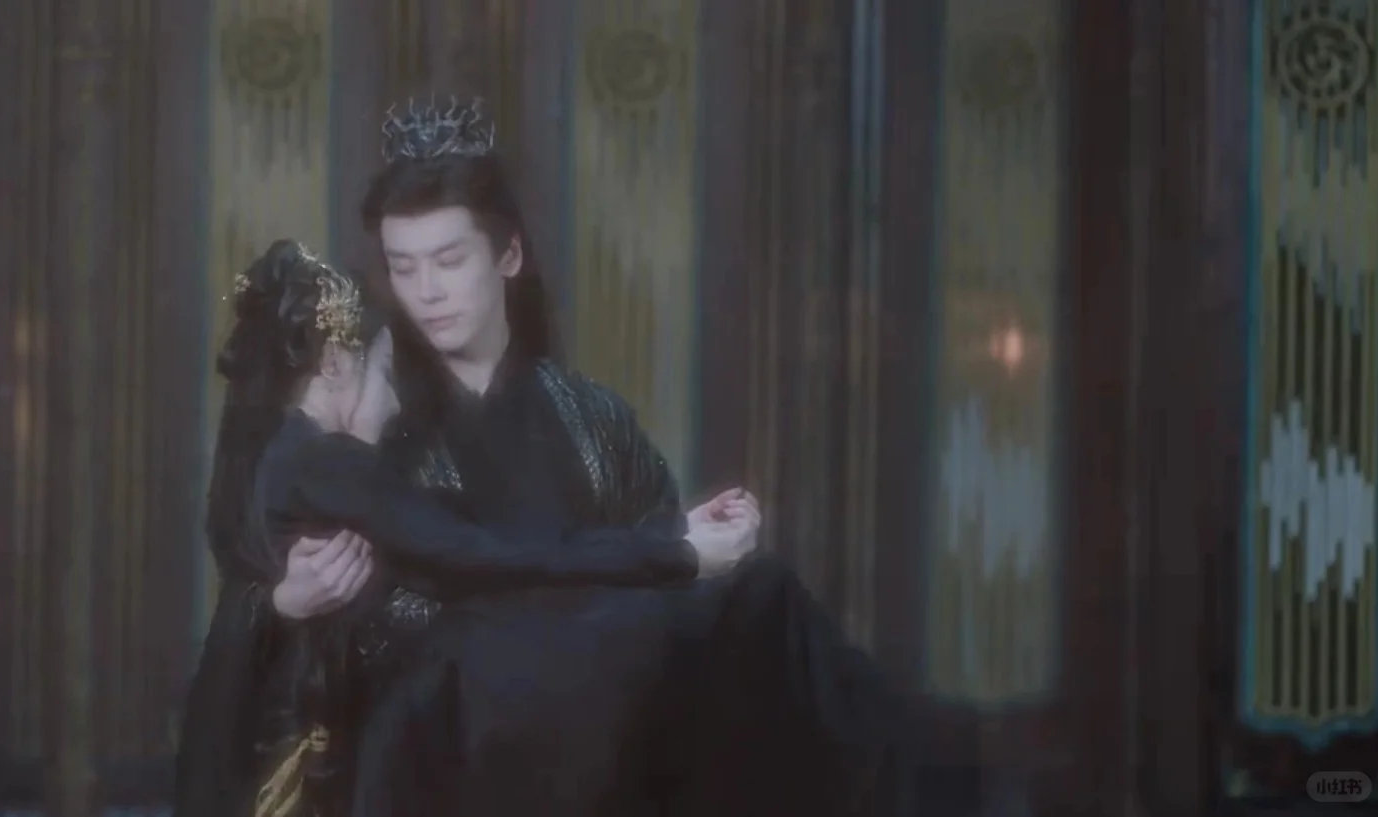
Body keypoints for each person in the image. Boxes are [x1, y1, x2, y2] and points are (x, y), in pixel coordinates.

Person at [318, 97, 990, 816]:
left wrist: (693, 539)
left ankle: (922, 774)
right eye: (405, 267)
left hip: (608, 689)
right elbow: (380, 620)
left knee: (756, 594)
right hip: (466, 699)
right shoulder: (377, 419)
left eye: (450, 260)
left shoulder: (590, 415)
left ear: (508, 255)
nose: (427, 292)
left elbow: (663, 568)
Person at [171, 240, 762, 817]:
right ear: (332, 363)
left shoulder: (297, 459)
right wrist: (676, 554)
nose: (395, 404)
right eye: (385, 375)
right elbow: (482, 553)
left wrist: (667, 538)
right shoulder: (325, 462)